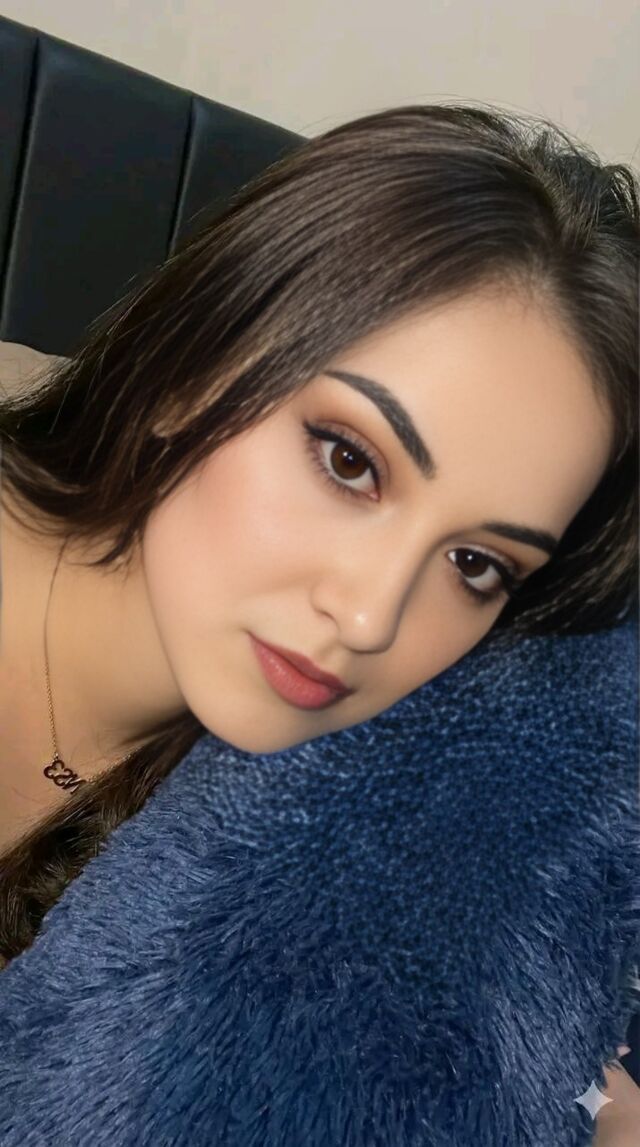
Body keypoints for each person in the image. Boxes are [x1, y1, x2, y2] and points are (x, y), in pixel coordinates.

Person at [0, 101, 638, 1141]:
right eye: (350, 461)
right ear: (189, 367)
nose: (371, 615)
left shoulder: (342, 789)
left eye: (475, 563)